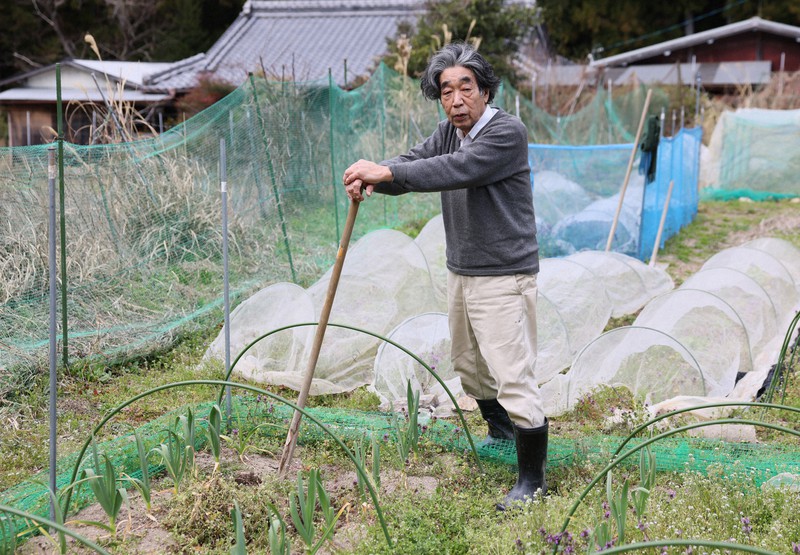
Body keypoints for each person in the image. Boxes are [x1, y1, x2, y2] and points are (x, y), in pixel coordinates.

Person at [343, 42, 547, 510]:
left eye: (465, 89)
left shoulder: (506, 133)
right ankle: (499, 432)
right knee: (470, 365)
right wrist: (375, 178)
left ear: (486, 90)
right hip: (463, 268)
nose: (456, 101)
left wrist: (389, 170)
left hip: (503, 274)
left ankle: (532, 481)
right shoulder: (447, 132)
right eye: (445, 92)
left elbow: (454, 171)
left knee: (512, 373)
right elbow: (417, 164)